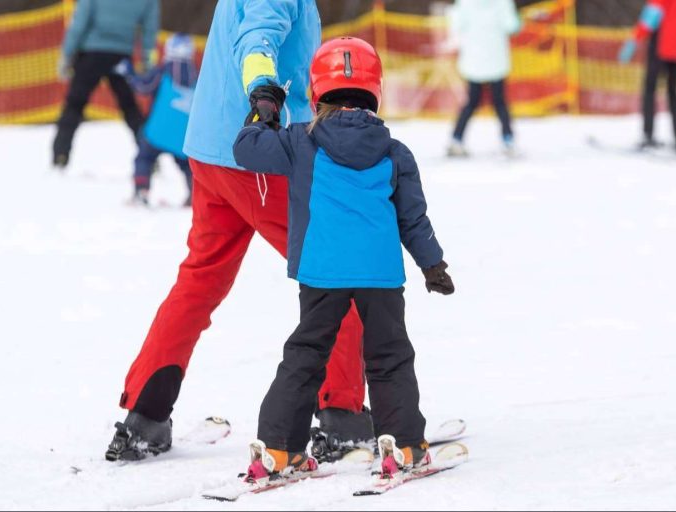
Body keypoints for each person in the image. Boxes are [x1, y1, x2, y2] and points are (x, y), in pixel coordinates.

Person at [105, 0, 371, 462]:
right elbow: (257, 40)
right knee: (340, 267)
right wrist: (263, 93)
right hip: (259, 156)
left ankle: (145, 415)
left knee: (200, 278)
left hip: (211, 152)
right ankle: (343, 414)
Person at [232, 37, 455, 480]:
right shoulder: (394, 151)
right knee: (389, 356)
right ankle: (405, 444)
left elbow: (246, 148)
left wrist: (265, 110)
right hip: (380, 275)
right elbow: (413, 218)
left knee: (306, 354)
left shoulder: (299, 141)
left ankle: (278, 449)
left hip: (323, 271)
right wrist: (433, 265)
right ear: (374, 89)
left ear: (317, 90)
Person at [53, 0, 160, 169]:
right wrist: (147, 61)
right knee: (131, 108)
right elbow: (150, 28)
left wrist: (66, 55)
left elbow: (79, 22)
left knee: (74, 104)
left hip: (91, 54)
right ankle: (149, 157)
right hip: (122, 56)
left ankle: (60, 154)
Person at [115, 34, 199, 207]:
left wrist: (129, 72)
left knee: (144, 158)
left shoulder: (164, 70)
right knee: (187, 165)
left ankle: (141, 191)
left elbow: (143, 87)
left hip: (158, 131)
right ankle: (195, 193)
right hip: (184, 135)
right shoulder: (197, 76)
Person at [619, 0, 676, 153]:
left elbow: (652, 15)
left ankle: (648, 135)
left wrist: (634, 40)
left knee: (650, 88)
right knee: (673, 92)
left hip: (661, 44)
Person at [447, 0, 521, 158]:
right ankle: (508, 140)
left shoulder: (464, 3)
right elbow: (512, 26)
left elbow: (455, 24)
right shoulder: (503, 3)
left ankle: (456, 139)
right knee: (500, 102)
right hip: (497, 61)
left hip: (473, 61)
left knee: (471, 102)